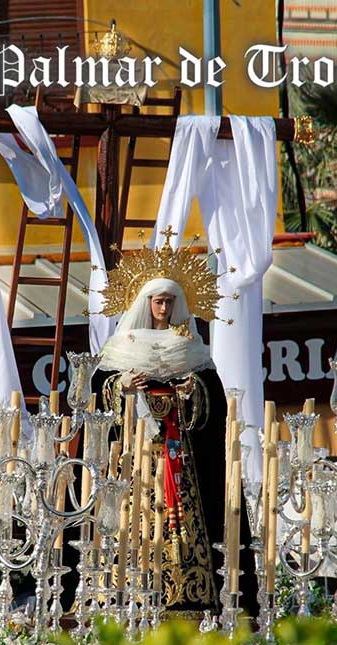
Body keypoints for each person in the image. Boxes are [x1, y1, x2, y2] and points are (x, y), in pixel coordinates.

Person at [94, 237, 258, 616]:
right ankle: (131, 589)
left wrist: (192, 390)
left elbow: (214, 397)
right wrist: (121, 385)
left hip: (181, 459)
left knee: (183, 524)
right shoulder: (123, 346)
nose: (164, 308)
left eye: (169, 301)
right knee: (136, 519)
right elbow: (96, 390)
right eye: (158, 301)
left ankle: (192, 593)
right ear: (145, 303)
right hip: (137, 459)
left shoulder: (190, 348)